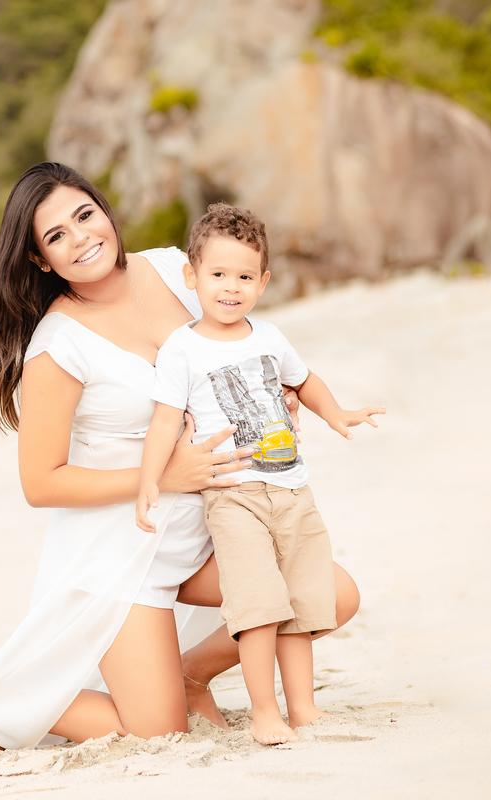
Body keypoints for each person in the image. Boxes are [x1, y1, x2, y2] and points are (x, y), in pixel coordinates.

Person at [0, 162, 360, 750]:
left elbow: (235, 349)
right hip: (121, 554)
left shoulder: (175, 270)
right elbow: (41, 484)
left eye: (84, 215)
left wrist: (283, 394)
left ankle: (194, 674)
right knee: (159, 732)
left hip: (209, 525)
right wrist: (166, 476)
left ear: (105, 211)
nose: (81, 237)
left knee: (332, 595)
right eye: (56, 235)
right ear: (41, 259)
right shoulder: (58, 345)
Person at [136, 204, 385, 745]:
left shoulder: (269, 336)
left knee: (302, 603)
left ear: (264, 282)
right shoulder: (182, 347)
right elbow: (163, 421)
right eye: (218, 275)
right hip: (235, 496)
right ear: (191, 276)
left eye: (245, 277)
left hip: (294, 488)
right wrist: (149, 480)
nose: (231, 288)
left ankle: (304, 709)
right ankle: (265, 713)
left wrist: (336, 412)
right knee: (258, 607)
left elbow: (306, 379)